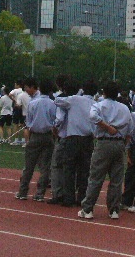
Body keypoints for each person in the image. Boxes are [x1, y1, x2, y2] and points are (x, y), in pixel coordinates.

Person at [79, 81, 132, 220]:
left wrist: (107, 127)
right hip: (119, 144)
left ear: (104, 93)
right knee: (116, 180)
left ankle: (88, 208)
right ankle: (114, 210)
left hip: (104, 142)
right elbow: (129, 129)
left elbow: (92, 116)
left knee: (96, 178)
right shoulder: (124, 108)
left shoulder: (99, 105)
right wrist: (124, 145)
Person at [51, 76, 95, 207]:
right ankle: (81, 197)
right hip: (88, 138)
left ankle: (68, 197)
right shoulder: (95, 103)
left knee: (69, 169)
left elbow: (57, 101)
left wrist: (63, 94)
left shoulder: (74, 100)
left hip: (73, 137)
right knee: (84, 169)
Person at [16, 78, 56, 201]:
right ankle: (40, 194)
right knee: (45, 167)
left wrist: (28, 139)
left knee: (29, 165)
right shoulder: (53, 104)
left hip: (35, 135)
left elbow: (28, 123)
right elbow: (55, 121)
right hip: (48, 136)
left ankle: (23, 192)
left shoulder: (33, 103)